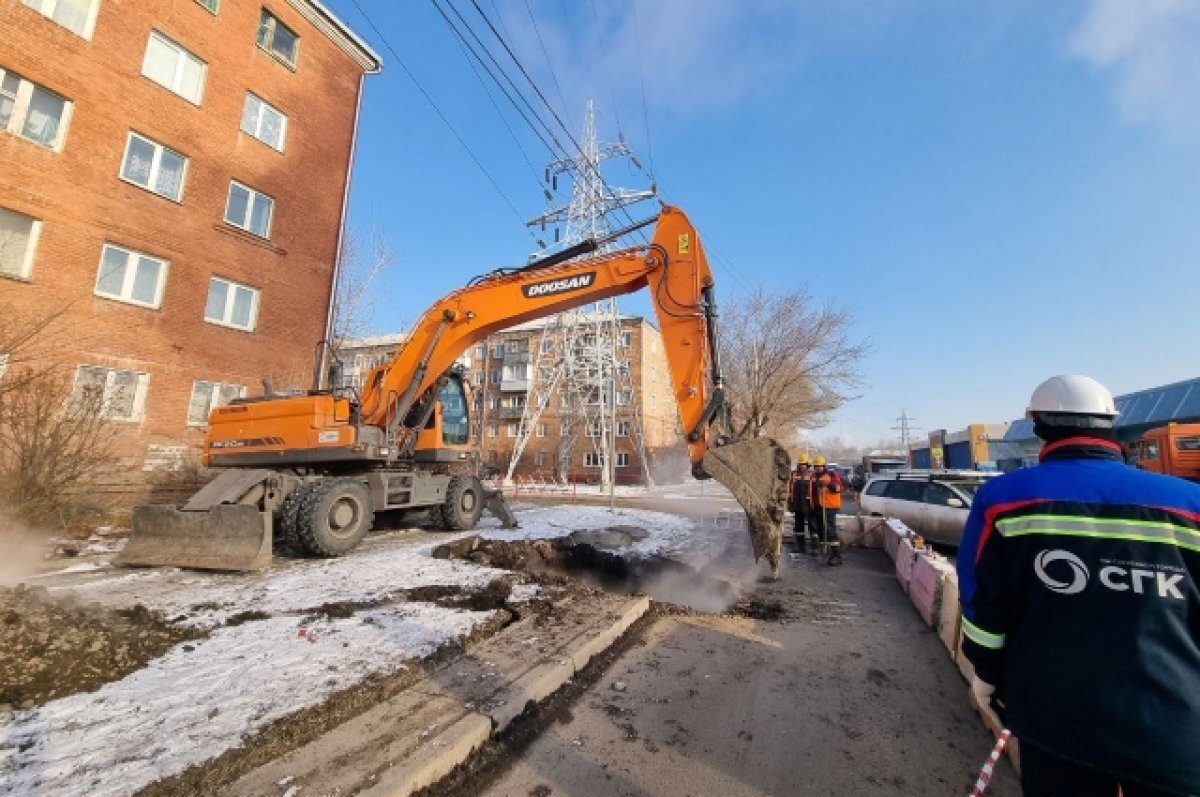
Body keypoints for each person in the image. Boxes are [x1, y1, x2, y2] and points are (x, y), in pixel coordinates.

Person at [957, 374, 1200, 797]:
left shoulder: (1003, 499)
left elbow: (983, 603)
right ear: (1109, 424)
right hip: (1175, 723)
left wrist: (987, 672)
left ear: (1039, 427)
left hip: (1056, 721)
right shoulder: (1189, 504)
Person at [812, 456, 844, 565]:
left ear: (823, 466)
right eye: (816, 466)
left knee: (830, 531)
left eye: (819, 466)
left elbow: (839, 488)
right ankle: (826, 551)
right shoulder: (815, 476)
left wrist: (829, 484)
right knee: (821, 530)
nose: (817, 468)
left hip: (830, 507)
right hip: (819, 507)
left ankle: (836, 555)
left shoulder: (831, 475)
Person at [788, 455, 813, 552]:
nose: (802, 466)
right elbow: (790, 488)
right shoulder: (793, 474)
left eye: (804, 464)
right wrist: (790, 502)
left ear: (807, 465)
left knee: (812, 526)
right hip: (797, 504)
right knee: (798, 526)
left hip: (808, 505)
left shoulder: (811, 474)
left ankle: (814, 547)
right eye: (800, 464)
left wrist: (810, 505)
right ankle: (800, 546)